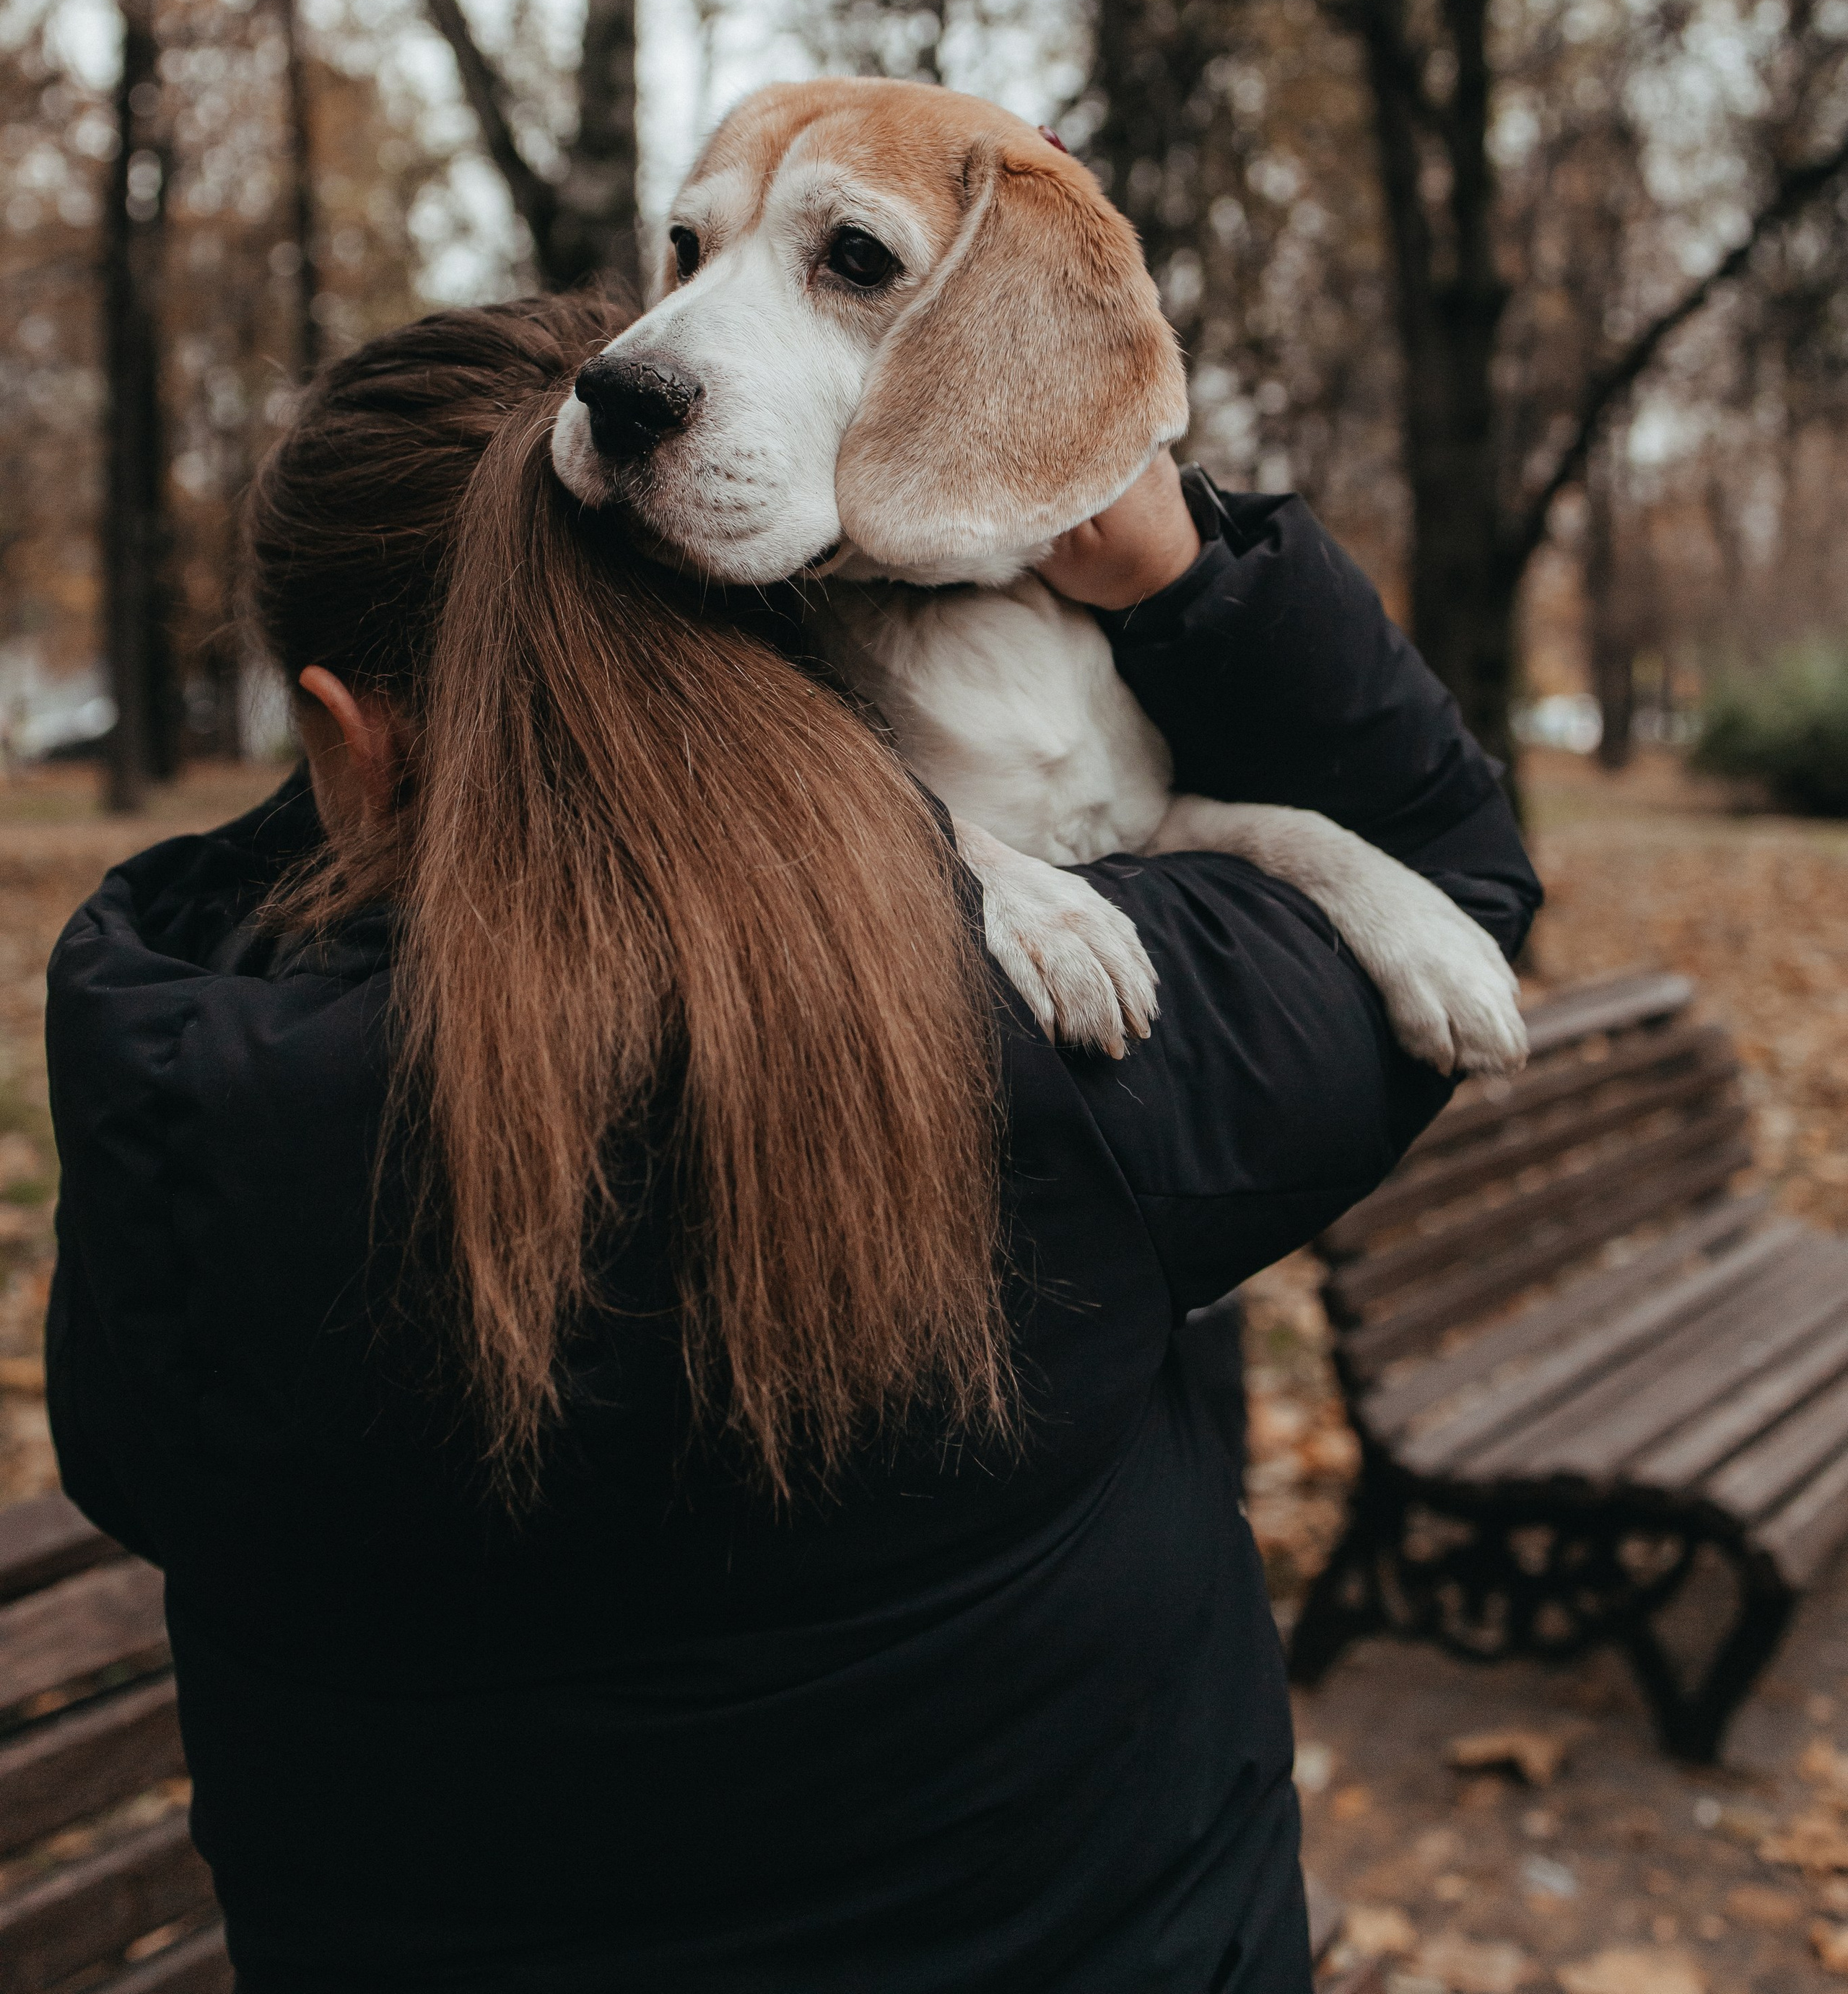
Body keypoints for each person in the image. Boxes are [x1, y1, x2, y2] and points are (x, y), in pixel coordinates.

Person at [45, 293, 1539, 1994]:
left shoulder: (180, 1140)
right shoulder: (1059, 1052)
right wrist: (1169, 556)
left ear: (338, 730)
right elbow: (1452, 888)